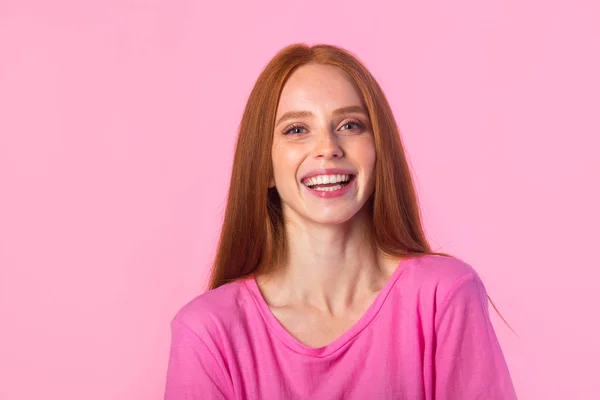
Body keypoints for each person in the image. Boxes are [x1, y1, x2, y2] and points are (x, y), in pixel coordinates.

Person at [164, 43, 517, 399]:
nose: (328, 147)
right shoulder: (207, 331)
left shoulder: (445, 296)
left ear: (379, 151)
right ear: (264, 166)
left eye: (350, 125)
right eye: (296, 129)